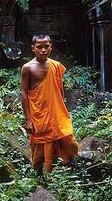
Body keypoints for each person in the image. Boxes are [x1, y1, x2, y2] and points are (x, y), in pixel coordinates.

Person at [20, 34, 78, 174]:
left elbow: (59, 90)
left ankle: (72, 165)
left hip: (57, 113)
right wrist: (28, 119)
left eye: (46, 46)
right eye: (39, 47)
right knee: (41, 146)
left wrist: (62, 108)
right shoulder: (28, 68)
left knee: (68, 139)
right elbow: (23, 93)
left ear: (51, 47)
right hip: (39, 114)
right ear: (33, 48)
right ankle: (40, 174)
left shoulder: (55, 66)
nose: (43, 50)